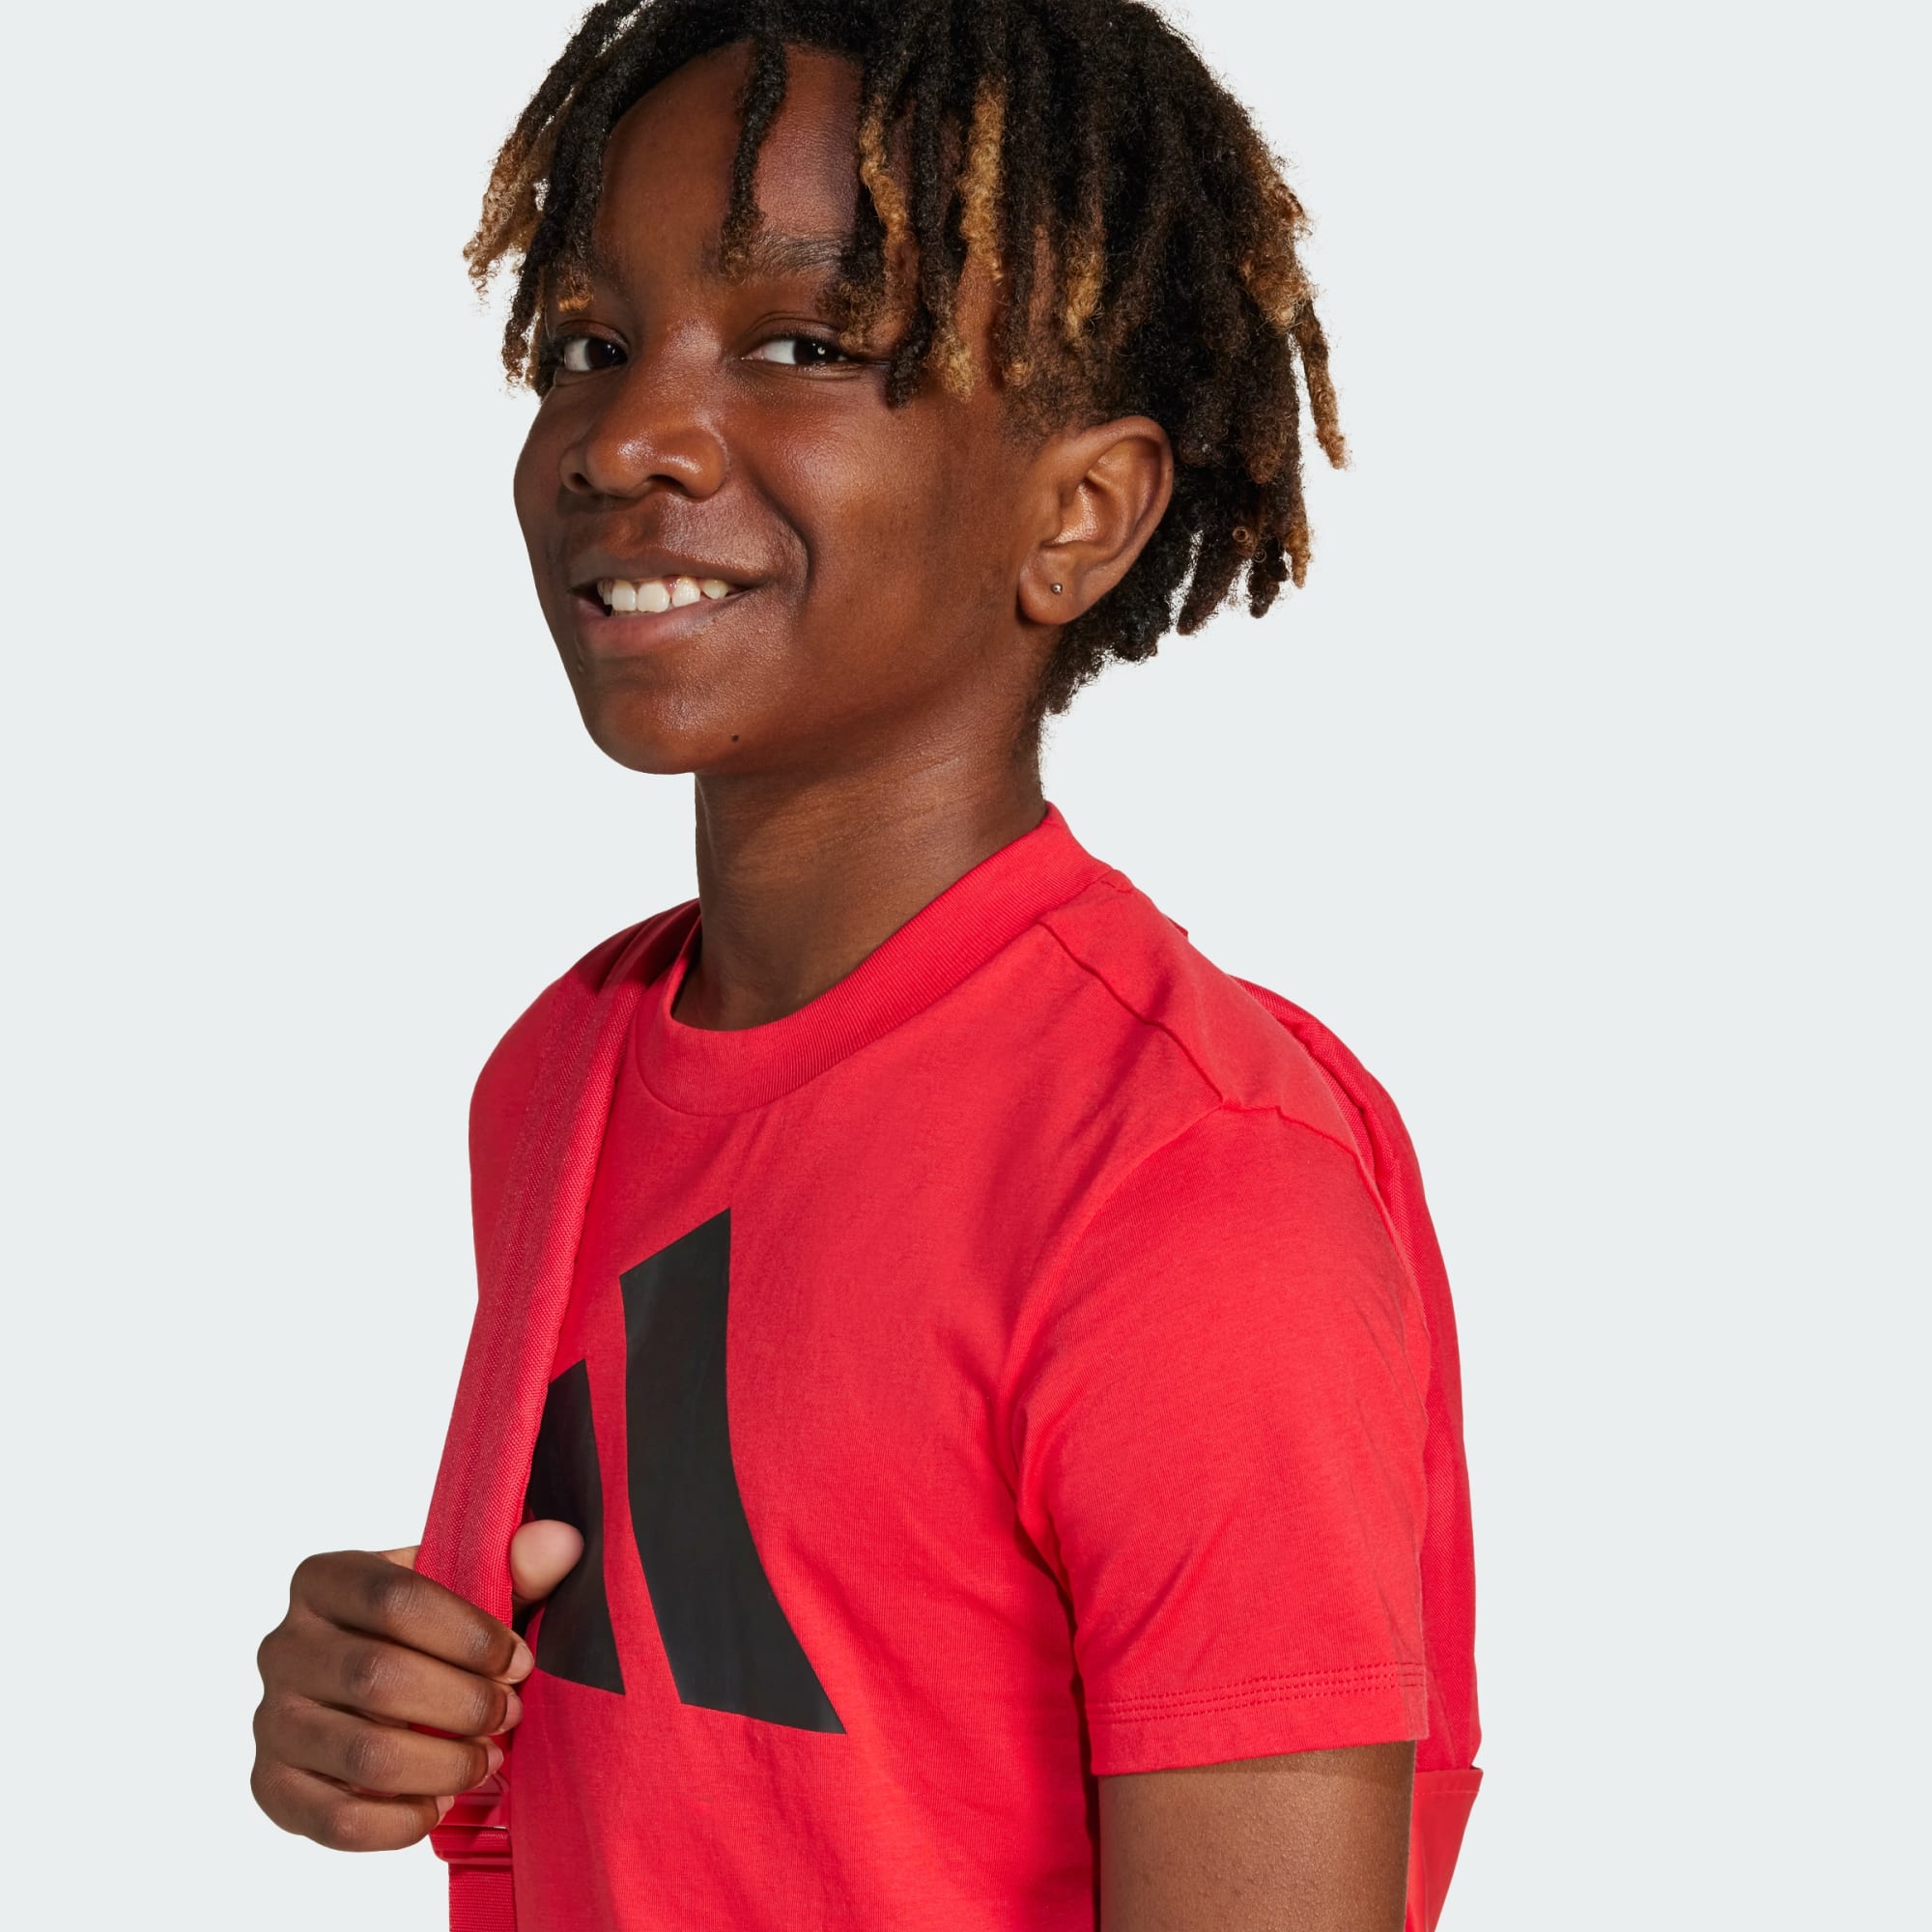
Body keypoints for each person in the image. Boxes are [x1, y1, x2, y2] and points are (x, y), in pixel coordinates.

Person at [250, 3, 1480, 1927]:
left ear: (1078, 512)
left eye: (805, 345)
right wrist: (416, 1720)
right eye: (587, 345)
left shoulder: (1185, 1175)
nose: (624, 436)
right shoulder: (565, 1063)